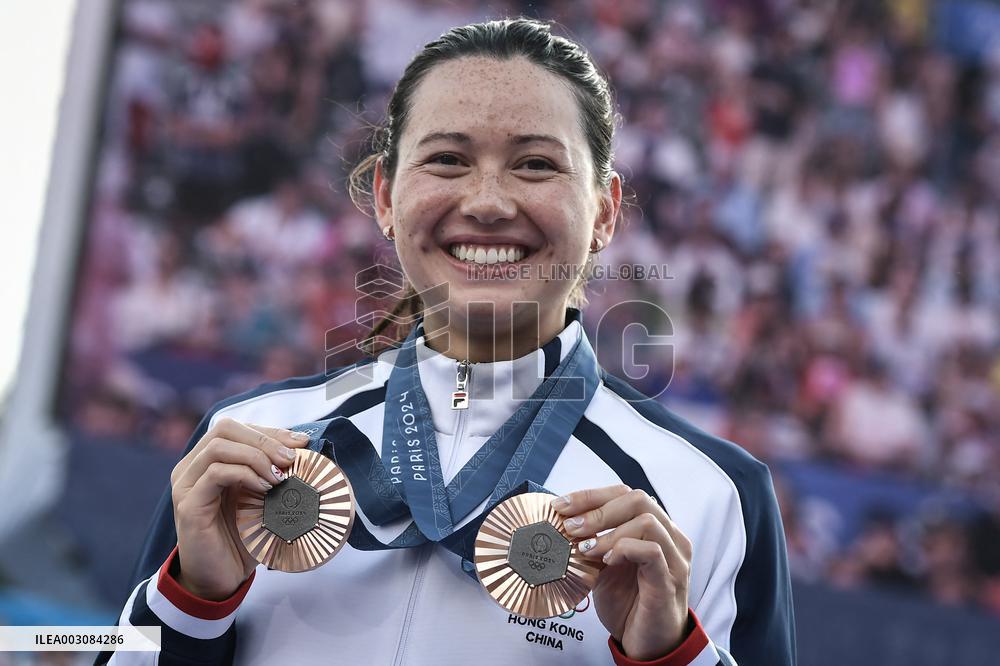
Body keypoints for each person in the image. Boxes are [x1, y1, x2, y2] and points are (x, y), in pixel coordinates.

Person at [99, 19, 794, 666]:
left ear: (605, 211)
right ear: (385, 198)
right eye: (448, 160)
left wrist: (672, 654)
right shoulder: (245, 440)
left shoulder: (713, 495)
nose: (488, 202)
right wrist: (193, 601)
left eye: (535, 166)